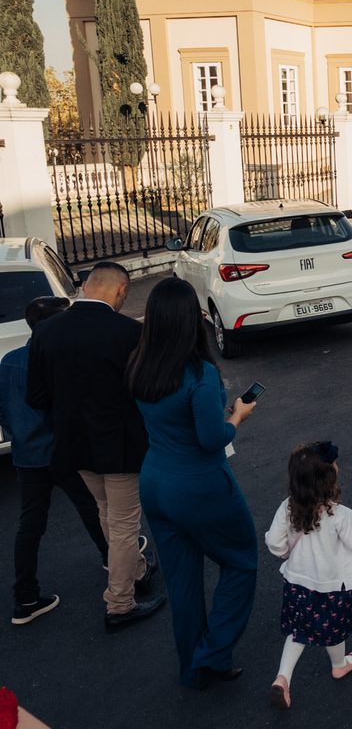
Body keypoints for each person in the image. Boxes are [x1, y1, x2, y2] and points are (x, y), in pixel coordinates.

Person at [127, 277, 257, 688]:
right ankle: (214, 653)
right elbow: (211, 439)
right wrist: (237, 416)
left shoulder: (139, 364)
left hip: (154, 481)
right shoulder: (200, 374)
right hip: (199, 485)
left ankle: (193, 668)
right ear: (189, 320)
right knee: (241, 562)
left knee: (182, 579)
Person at [25, 261, 163, 631]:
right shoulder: (130, 332)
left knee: (106, 511)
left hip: (72, 442)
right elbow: (147, 391)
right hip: (120, 445)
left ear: (86, 285)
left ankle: (135, 570)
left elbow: (36, 397)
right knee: (121, 522)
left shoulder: (45, 331)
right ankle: (120, 603)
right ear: (121, 291)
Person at [266, 441, 352, 710]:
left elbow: (273, 543)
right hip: (333, 588)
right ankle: (339, 665)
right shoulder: (341, 515)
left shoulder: (287, 507)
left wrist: (285, 554)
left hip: (297, 584)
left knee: (298, 630)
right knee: (334, 630)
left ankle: (283, 677)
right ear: (328, 477)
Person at [4, 297, 110, 625]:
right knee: (92, 507)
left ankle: (25, 598)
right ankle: (115, 562)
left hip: (26, 455)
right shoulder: (56, 358)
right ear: (52, 324)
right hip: (62, 451)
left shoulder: (8, 360)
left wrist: (20, 434)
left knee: (30, 524)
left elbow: (3, 410)